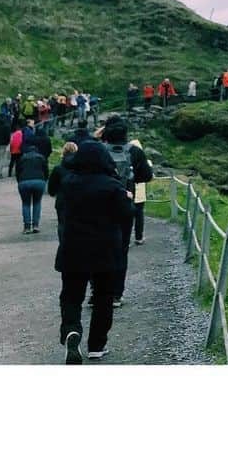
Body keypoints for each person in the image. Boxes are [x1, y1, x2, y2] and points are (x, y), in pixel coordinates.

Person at [55, 141, 134, 362]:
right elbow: (126, 215)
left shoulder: (68, 183)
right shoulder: (112, 185)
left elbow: (60, 210)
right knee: (103, 297)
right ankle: (97, 345)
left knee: (71, 296)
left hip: (73, 248)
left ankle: (72, 330)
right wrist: (126, 199)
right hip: (105, 249)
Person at [99, 116, 153, 308]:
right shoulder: (135, 151)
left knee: (98, 248)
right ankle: (115, 294)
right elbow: (147, 175)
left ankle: (97, 291)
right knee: (121, 250)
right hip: (124, 204)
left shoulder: (99, 150)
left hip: (100, 206)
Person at [47, 140, 78, 244]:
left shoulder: (58, 169)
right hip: (78, 198)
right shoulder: (80, 167)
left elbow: (52, 186)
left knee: (62, 223)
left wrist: (52, 193)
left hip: (62, 199)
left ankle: (63, 244)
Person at [15, 141, 49, 233]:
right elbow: (46, 171)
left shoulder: (22, 158)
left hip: (24, 181)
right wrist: (44, 180)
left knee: (26, 204)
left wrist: (19, 181)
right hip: (39, 181)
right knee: (37, 203)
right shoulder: (41, 158)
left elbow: (17, 171)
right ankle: (35, 225)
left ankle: (26, 227)